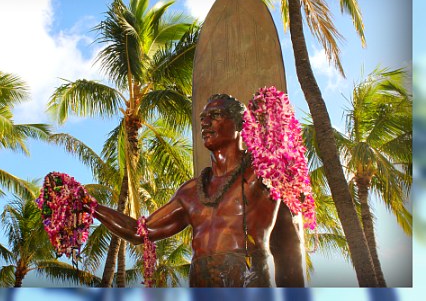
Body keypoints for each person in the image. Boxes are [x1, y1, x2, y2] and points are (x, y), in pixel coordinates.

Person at [92, 94, 305, 287]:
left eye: (216, 115)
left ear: (240, 123)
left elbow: (290, 246)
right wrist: (89, 205)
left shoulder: (261, 173)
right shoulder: (191, 191)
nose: (205, 122)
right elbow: (140, 232)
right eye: (203, 117)